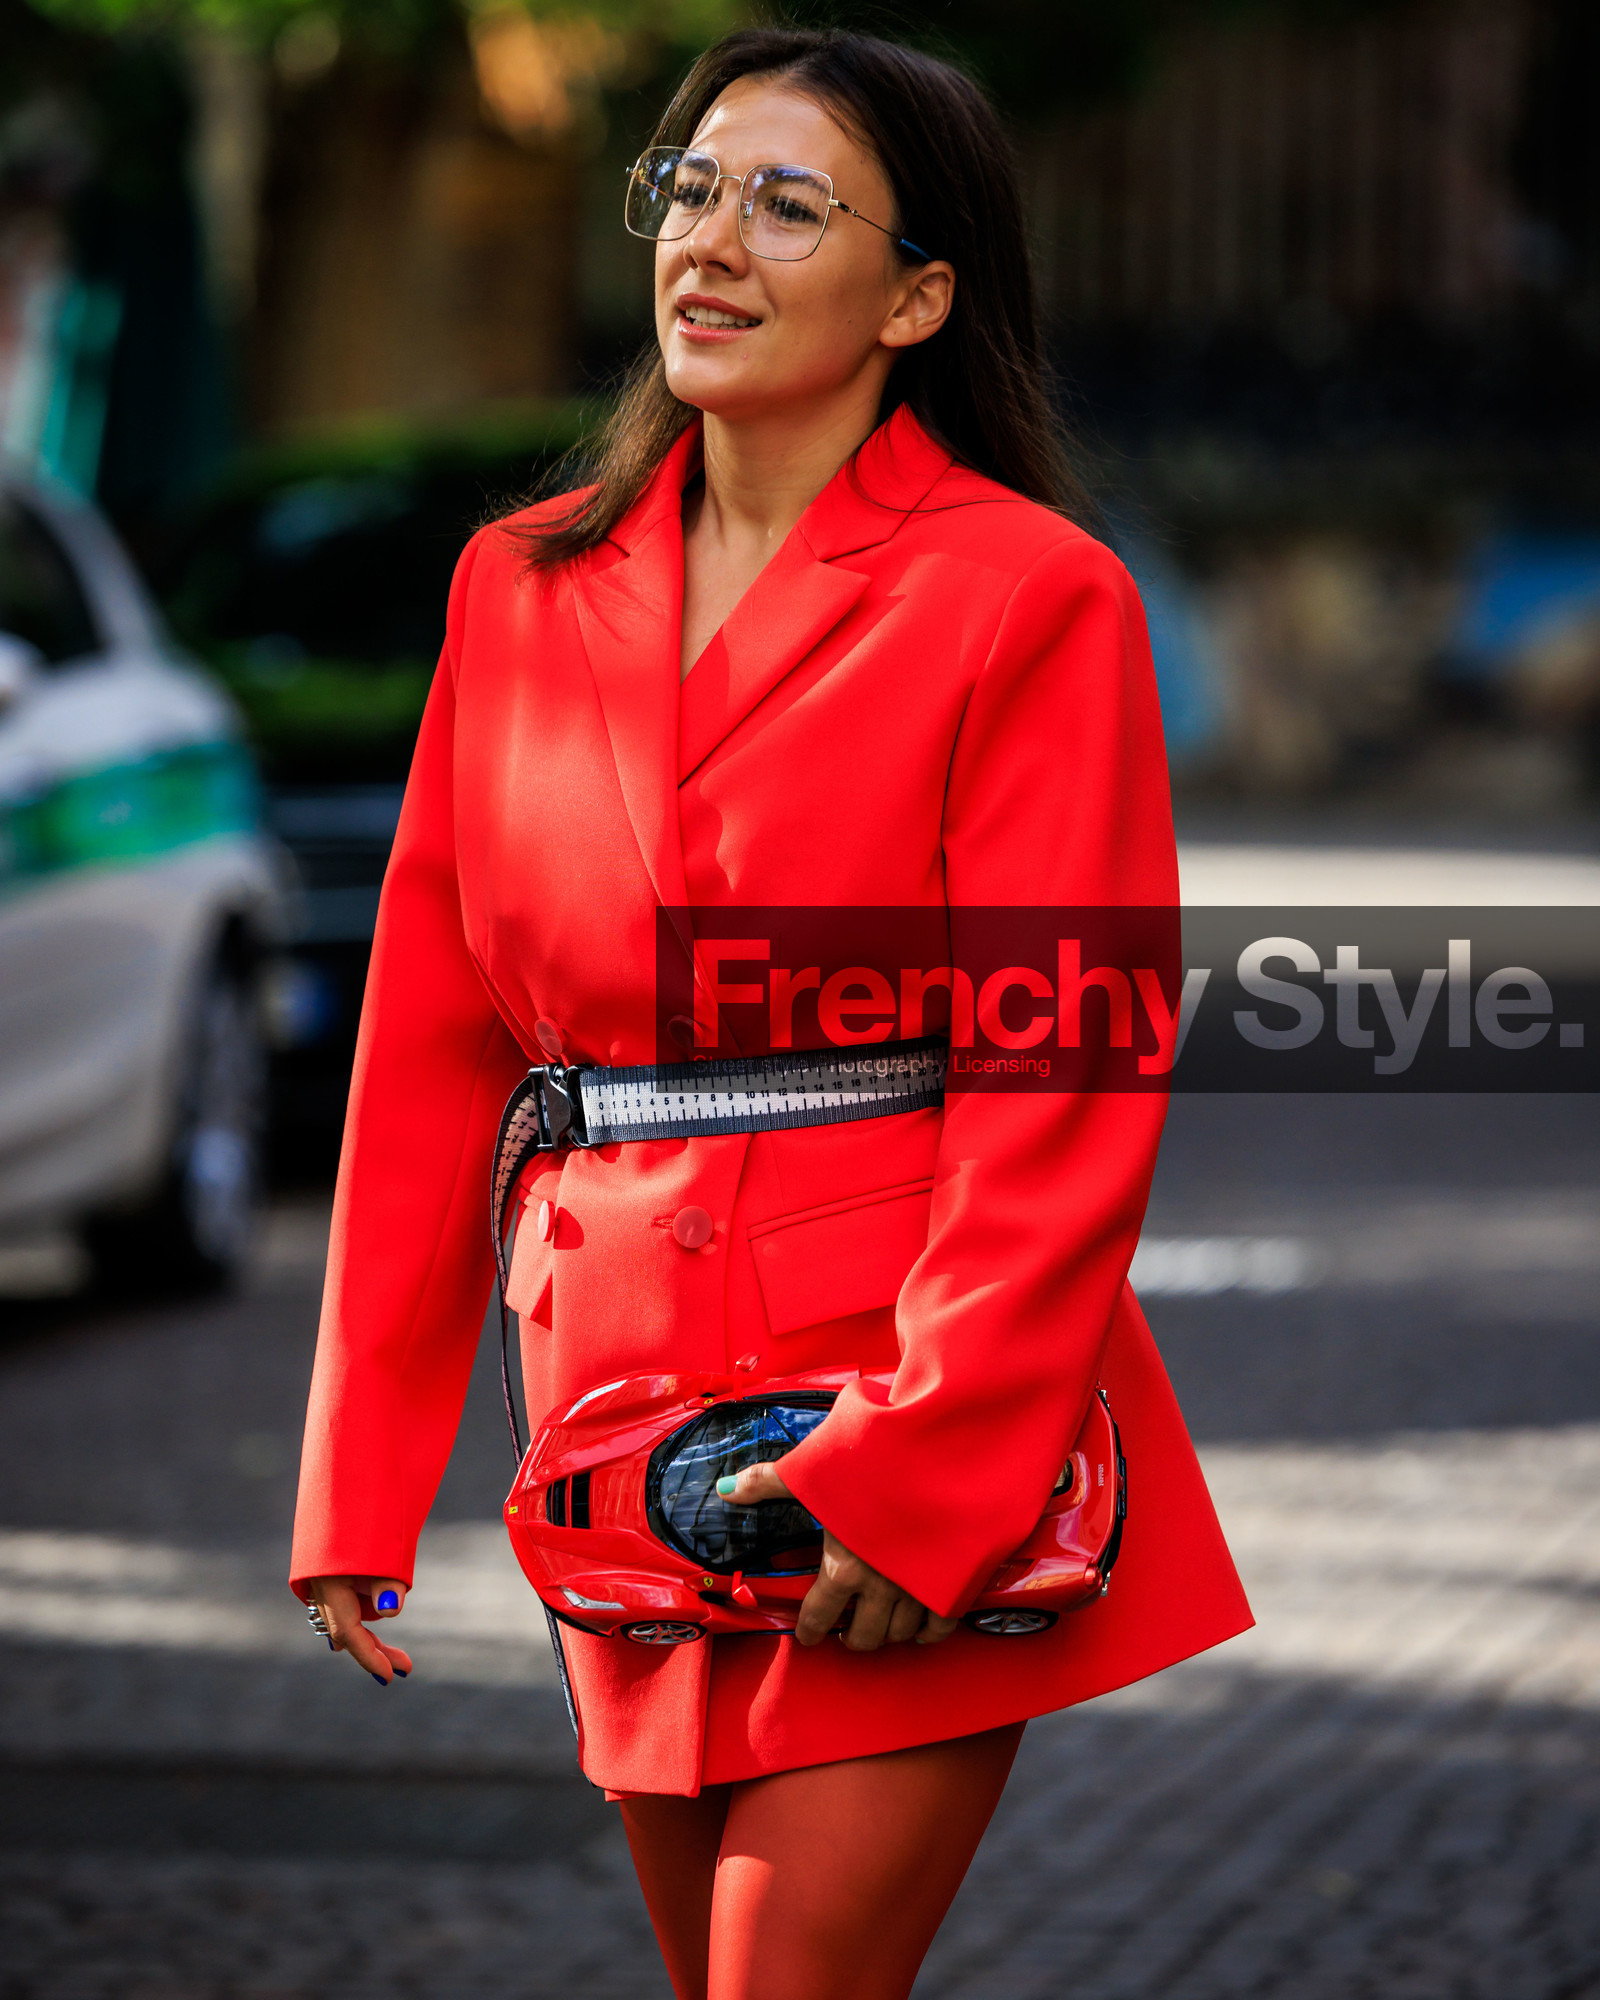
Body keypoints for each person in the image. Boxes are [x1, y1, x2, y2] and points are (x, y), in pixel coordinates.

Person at [291, 26, 1251, 1999]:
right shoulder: (517, 589)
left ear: (917, 297)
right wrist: (359, 1473)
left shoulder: (1028, 596)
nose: (710, 242)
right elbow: (434, 1047)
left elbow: (1057, 1068)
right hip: (619, 1428)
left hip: (889, 1427)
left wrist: (930, 1476)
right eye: (688, 188)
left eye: (786, 204)